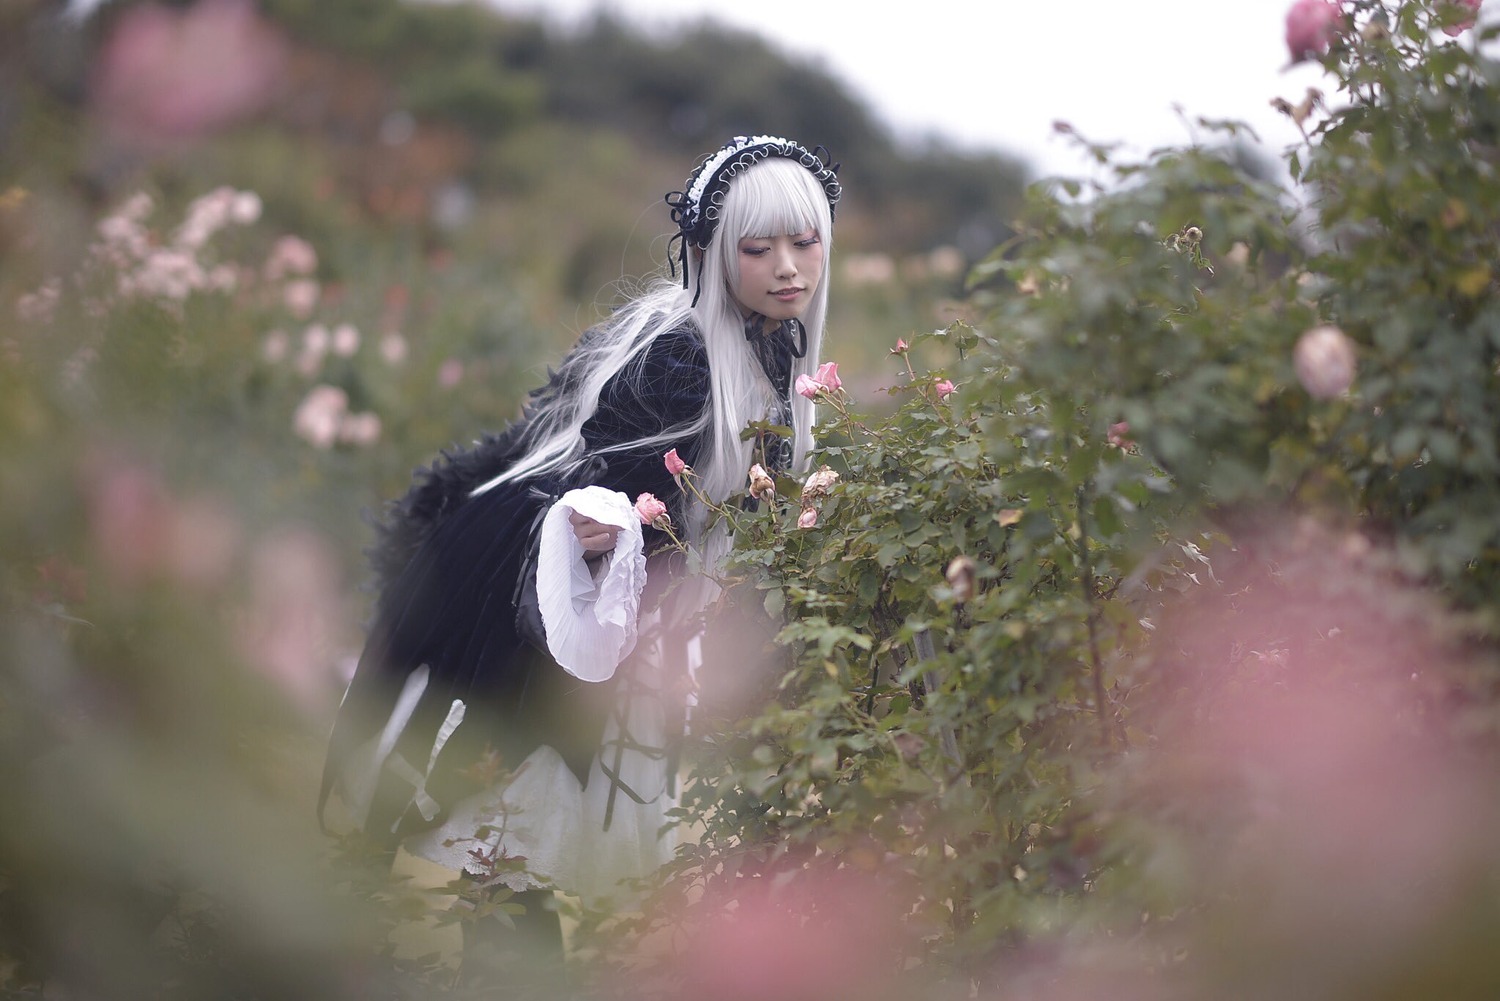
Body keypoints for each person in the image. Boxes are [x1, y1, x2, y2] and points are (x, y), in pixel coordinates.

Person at [317, 135, 842, 969]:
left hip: (608, 599)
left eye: (804, 243)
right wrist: (606, 523)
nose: (787, 267)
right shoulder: (685, 357)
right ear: (713, 255)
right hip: (539, 594)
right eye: (758, 248)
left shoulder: (764, 349)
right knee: (512, 808)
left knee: (552, 829)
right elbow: (605, 480)